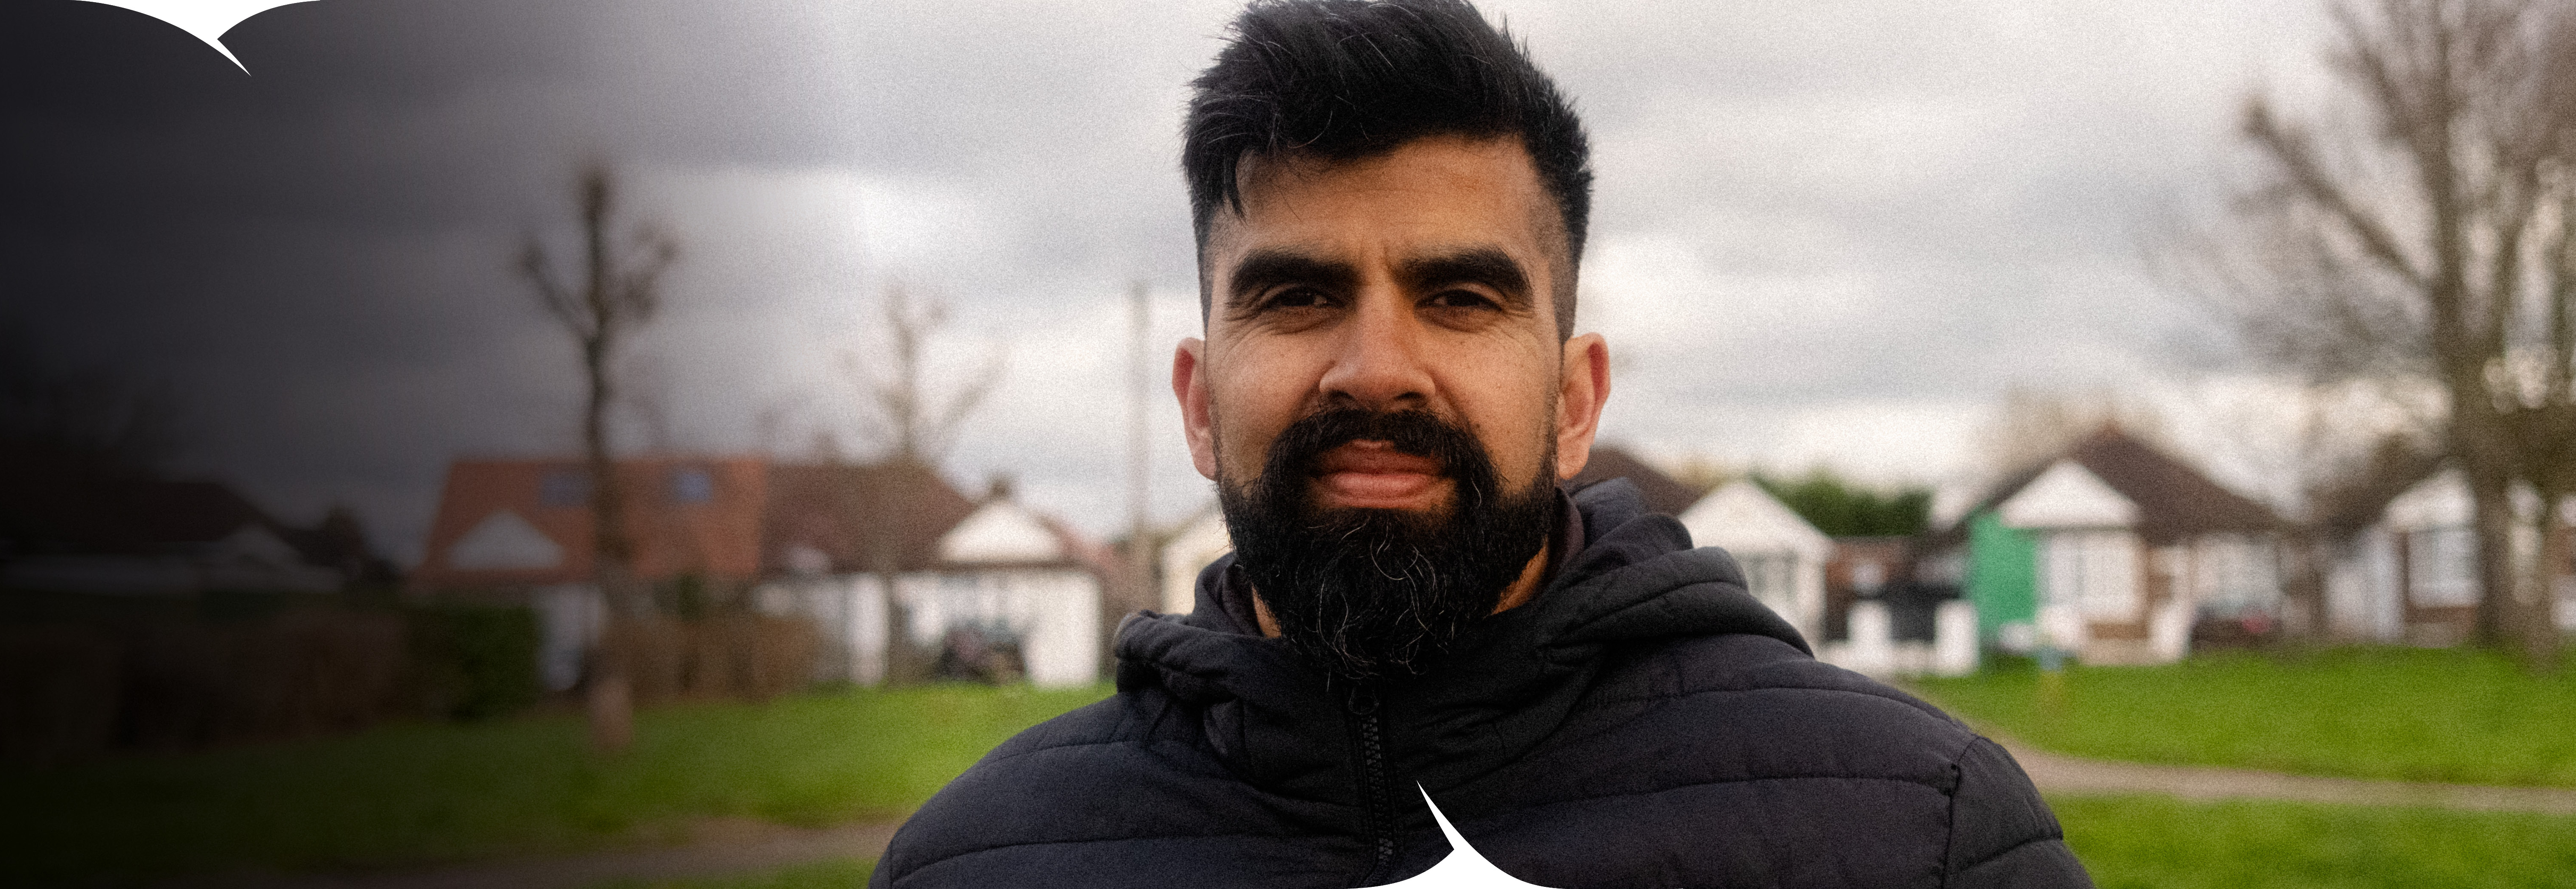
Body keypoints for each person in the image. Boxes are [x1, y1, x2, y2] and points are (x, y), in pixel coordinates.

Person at [868, 2, 2092, 886]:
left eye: (1460, 298)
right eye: (1296, 297)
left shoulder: (1912, 837)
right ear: (1196, 401)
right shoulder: (977, 863)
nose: (1376, 370)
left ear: (1573, 402)